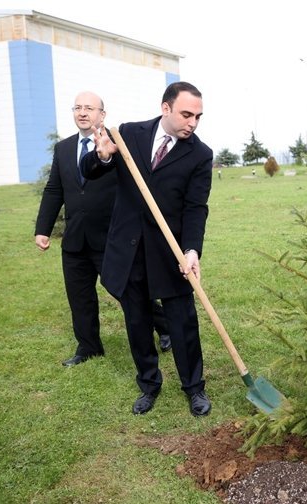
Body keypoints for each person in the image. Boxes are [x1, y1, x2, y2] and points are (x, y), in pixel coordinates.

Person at [82, 81, 214, 417]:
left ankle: (194, 388)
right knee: (137, 321)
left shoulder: (200, 154)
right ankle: (149, 384)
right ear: (166, 108)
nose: (193, 123)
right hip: (127, 248)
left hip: (169, 251)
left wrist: (191, 250)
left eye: (198, 117)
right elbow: (90, 171)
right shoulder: (128, 134)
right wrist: (103, 155)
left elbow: (196, 207)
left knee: (183, 322)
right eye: (187, 114)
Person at [35, 92, 171, 368]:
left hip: (112, 236)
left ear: (102, 114)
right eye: (77, 108)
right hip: (75, 239)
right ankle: (88, 347)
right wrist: (43, 229)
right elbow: (54, 190)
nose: (82, 113)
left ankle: (164, 326)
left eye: (89, 108)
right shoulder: (63, 149)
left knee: (127, 292)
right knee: (79, 296)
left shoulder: (119, 141)